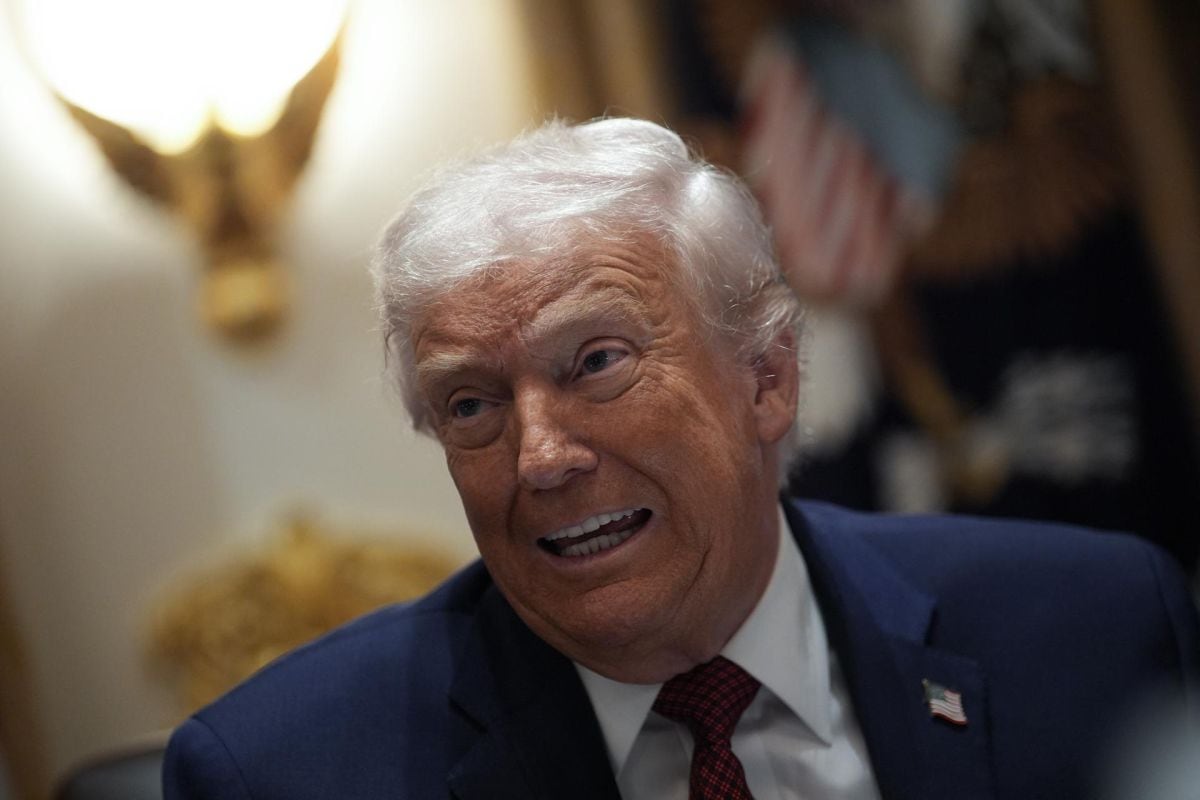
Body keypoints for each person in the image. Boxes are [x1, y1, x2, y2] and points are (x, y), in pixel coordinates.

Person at [163, 118, 1199, 799]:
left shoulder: (1097, 628)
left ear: (767, 377)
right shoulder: (284, 772)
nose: (541, 457)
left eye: (597, 362)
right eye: (471, 402)